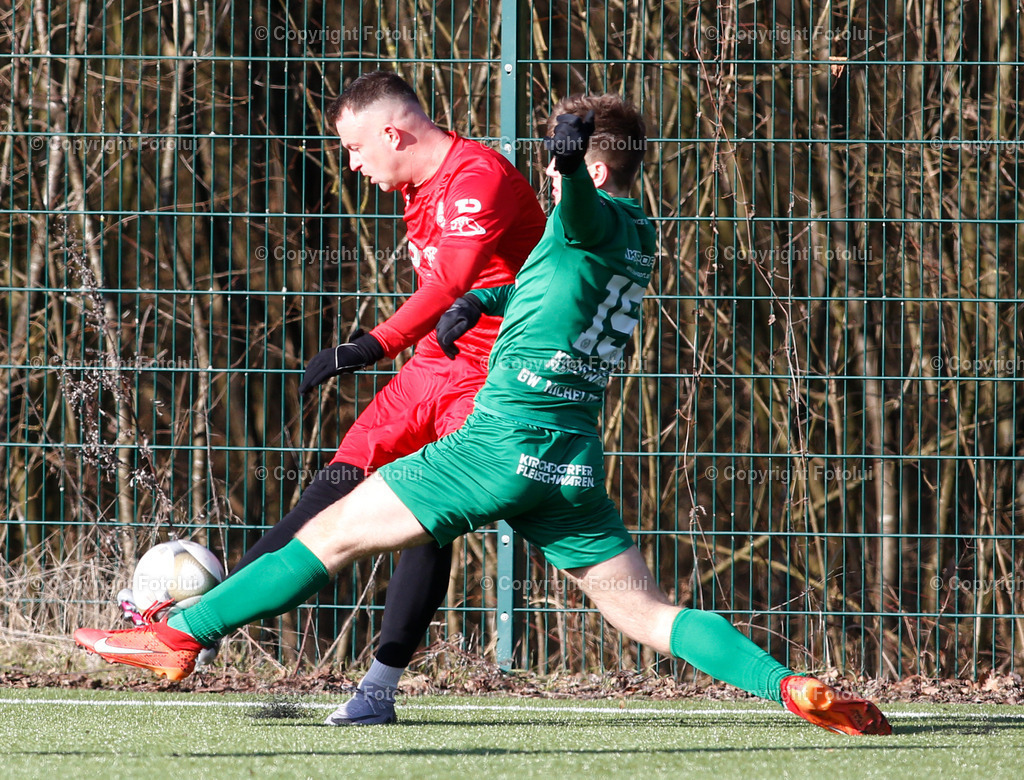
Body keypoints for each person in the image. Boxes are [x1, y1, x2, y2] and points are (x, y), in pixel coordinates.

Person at [75, 94, 892, 737]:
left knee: (328, 535)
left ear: (590, 166)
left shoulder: (593, 208)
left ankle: (180, 635)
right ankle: (790, 686)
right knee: (644, 612)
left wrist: (568, 165)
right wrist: (488, 298)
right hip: (567, 469)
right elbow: (561, 274)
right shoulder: (639, 233)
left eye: (557, 159)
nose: (546, 169)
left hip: (498, 445)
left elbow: (574, 214)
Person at [116, 70, 546, 725]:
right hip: (434, 367)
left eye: (354, 149)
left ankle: (376, 690)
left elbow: (454, 282)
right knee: (335, 485)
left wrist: (369, 345)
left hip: (495, 380)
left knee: (426, 523)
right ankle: (185, 624)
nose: (350, 164)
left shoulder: (477, 179)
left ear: (393, 133)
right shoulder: (415, 187)